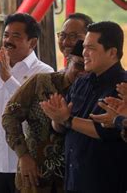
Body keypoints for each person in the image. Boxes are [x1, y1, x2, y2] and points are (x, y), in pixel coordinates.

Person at [0, 13, 53, 193]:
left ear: (32, 43)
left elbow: (40, 113)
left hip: (27, 165)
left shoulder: (44, 73)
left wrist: (8, 80)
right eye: (6, 35)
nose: (8, 41)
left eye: (16, 36)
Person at [40, 21, 127, 193]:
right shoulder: (82, 81)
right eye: (85, 47)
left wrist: (68, 119)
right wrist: (58, 118)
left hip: (106, 183)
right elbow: (61, 126)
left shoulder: (122, 86)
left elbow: (106, 130)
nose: (84, 53)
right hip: (74, 179)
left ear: (112, 52)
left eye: (91, 48)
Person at [2, 40, 86, 193]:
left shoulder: (91, 92)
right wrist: (23, 155)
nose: (83, 72)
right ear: (68, 61)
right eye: (79, 65)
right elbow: (10, 115)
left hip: (73, 177)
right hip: (34, 174)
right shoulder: (40, 82)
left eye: (88, 67)